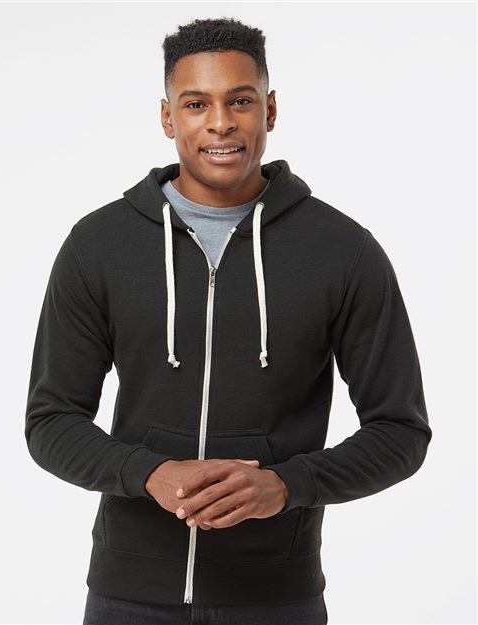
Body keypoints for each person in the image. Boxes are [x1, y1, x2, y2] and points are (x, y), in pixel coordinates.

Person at [24, 16, 433, 625]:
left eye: (240, 101)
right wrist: (150, 473)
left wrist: (287, 485)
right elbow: (51, 421)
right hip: (128, 593)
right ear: (168, 118)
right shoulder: (99, 245)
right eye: (196, 104)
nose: (220, 123)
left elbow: (401, 431)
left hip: (277, 595)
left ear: (270, 109)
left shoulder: (343, 251)